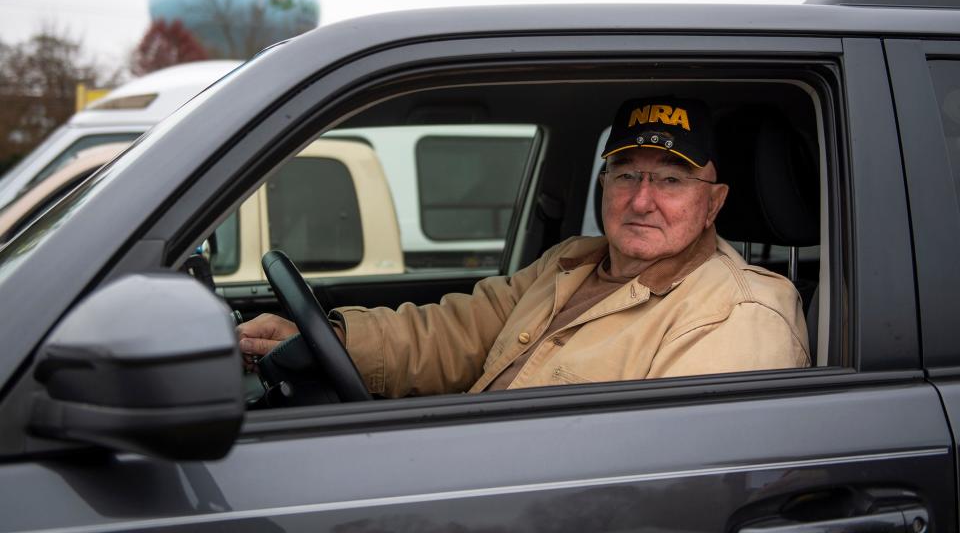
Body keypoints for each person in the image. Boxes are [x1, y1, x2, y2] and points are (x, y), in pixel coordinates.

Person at [238, 97, 810, 397]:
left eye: (670, 179)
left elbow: (675, 485)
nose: (641, 200)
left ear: (713, 202)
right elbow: (453, 333)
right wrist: (328, 339)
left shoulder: (737, 316)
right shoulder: (571, 262)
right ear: (603, 186)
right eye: (625, 174)